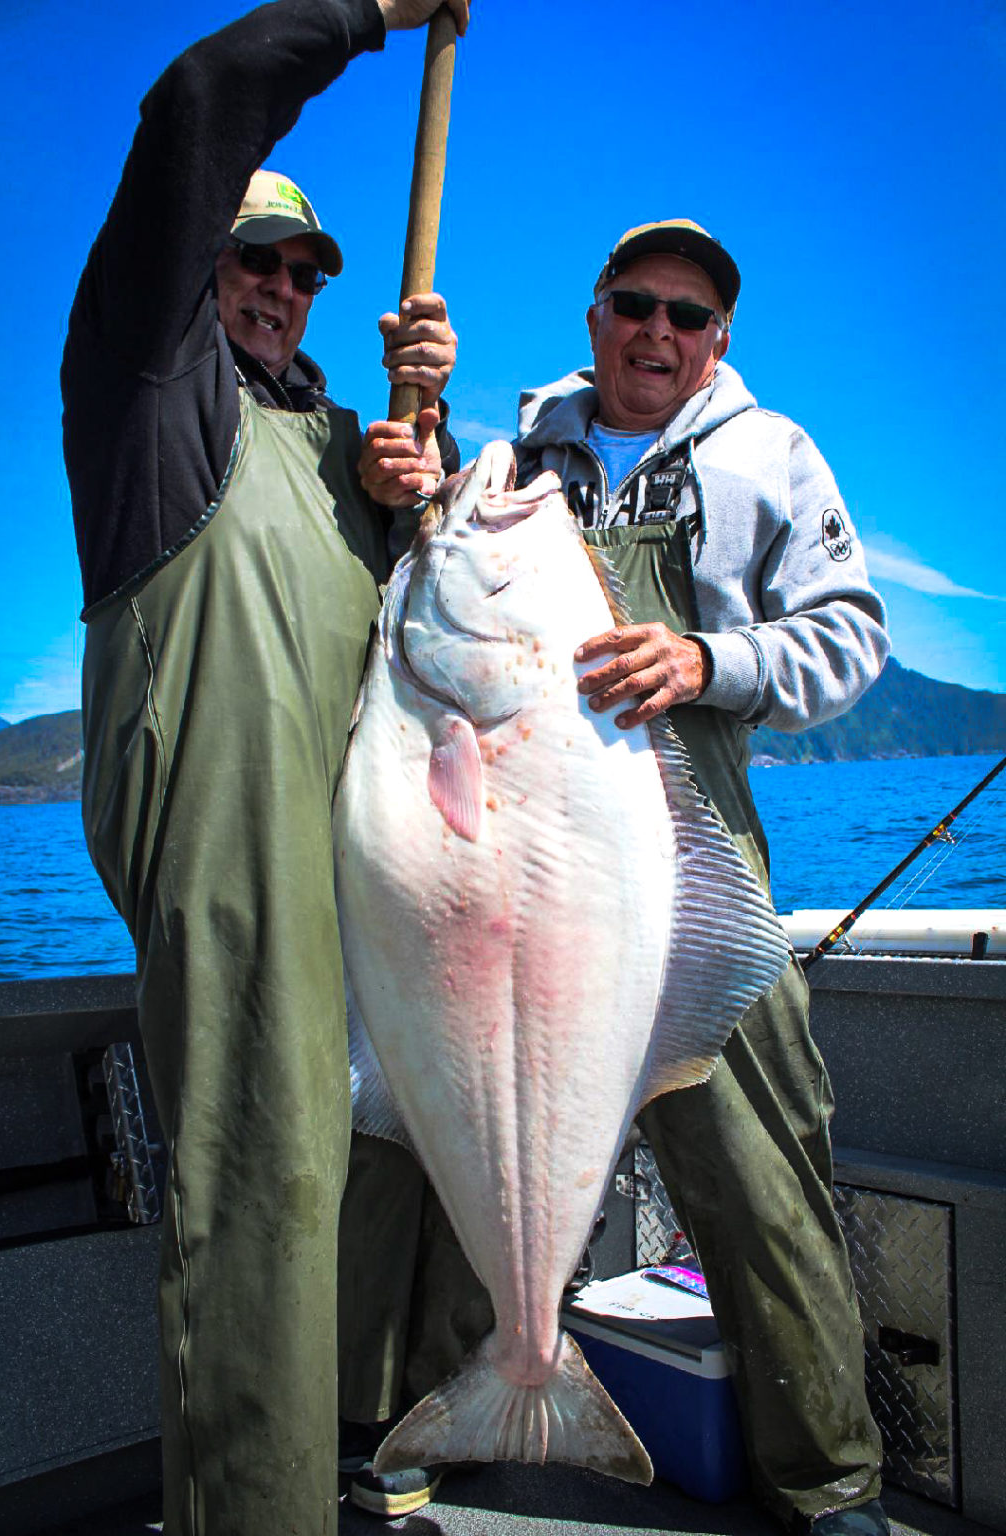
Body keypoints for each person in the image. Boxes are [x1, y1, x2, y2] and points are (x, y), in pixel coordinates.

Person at [350, 220, 891, 1536]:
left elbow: (851, 638)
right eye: (636, 304)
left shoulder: (770, 456)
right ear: (595, 317)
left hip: (681, 873)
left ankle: (827, 1482)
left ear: (719, 345)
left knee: (764, 1170)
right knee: (451, 1137)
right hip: (502, 874)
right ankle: (449, 1411)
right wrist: (399, 469)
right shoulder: (524, 458)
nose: (660, 332)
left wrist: (707, 663)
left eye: (689, 317)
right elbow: (431, 585)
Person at [60, 1, 469, 1533]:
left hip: (368, 869)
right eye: (252, 260)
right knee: (262, 1206)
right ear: (199, 270)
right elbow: (195, 107)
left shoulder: (340, 445)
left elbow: (441, 638)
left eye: (305, 272)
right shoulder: (144, 399)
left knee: (403, 1161)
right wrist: (369, 13)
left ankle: (381, 1450)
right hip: (237, 870)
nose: (283, 289)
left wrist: (418, 457)